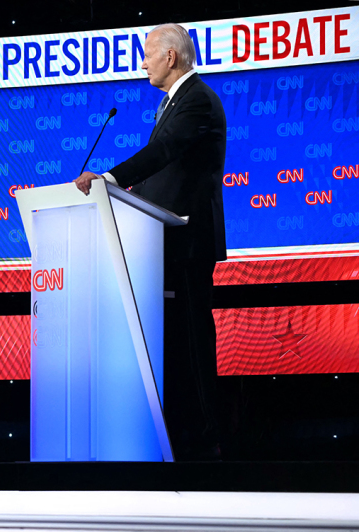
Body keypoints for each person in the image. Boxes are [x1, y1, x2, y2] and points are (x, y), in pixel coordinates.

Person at [74, 24, 228, 460]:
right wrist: (127, 198)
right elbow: (165, 173)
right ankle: (182, 435)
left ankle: (207, 439)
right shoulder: (174, 103)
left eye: (147, 54)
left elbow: (161, 155)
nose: (142, 62)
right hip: (167, 243)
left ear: (170, 58)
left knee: (195, 341)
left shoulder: (196, 100)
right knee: (176, 341)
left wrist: (108, 179)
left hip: (189, 242)